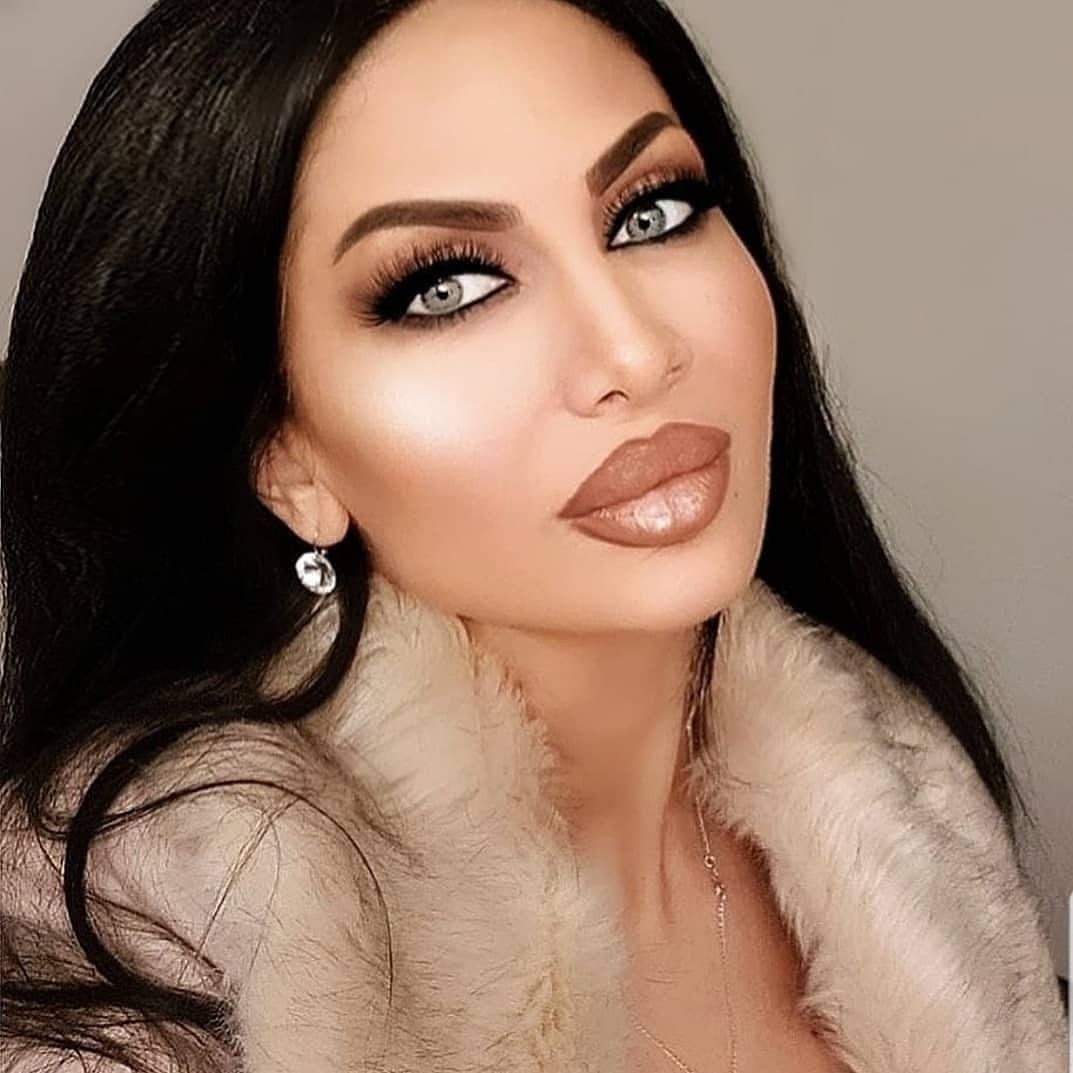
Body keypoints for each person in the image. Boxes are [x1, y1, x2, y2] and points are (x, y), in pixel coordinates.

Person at [0, 0, 1066, 1070]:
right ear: (285, 459)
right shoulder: (137, 959)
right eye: (448, 287)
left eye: (650, 213)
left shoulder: (908, 808)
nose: (633, 352)